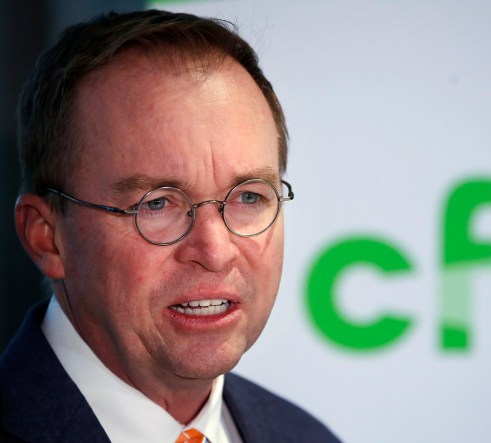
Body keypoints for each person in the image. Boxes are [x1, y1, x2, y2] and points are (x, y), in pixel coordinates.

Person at [0, 9, 339, 443]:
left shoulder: (306, 436)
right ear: (47, 238)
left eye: (249, 197)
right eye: (157, 204)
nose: (216, 251)